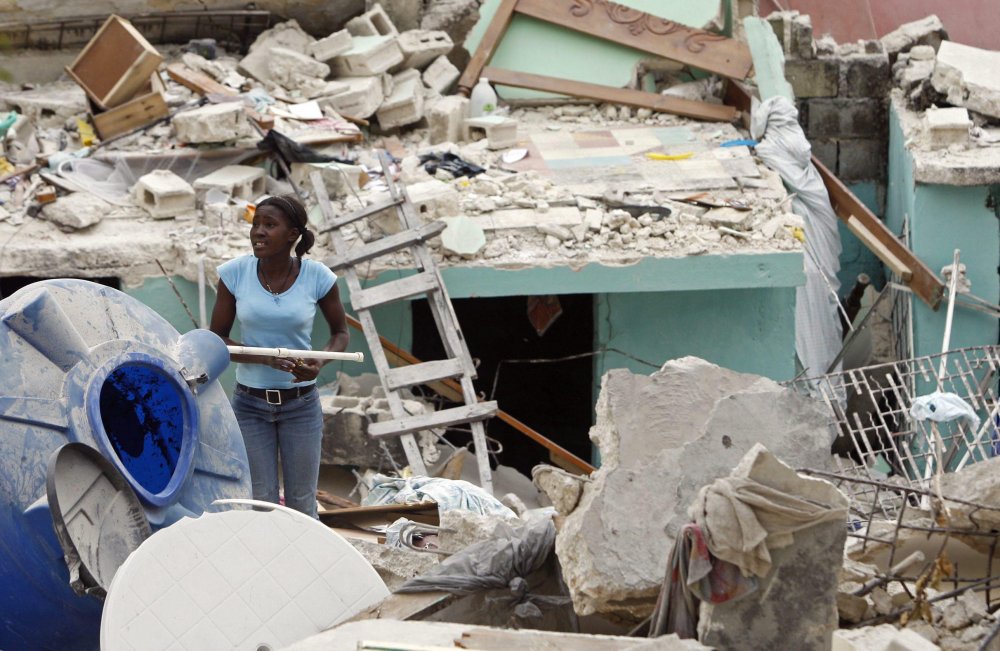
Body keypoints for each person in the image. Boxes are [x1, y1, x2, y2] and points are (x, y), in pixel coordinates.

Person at [210, 194, 349, 517]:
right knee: (261, 502)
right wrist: (265, 358)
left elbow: (341, 333)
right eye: (256, 224)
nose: (258, 231)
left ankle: (306, 567)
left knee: (302, 503)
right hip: (249, 406)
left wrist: (319, 362)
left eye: (269, 225)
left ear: (292, 234)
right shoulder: (234, 274)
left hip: (300, 406)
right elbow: (217, 338)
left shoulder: (318, 277)